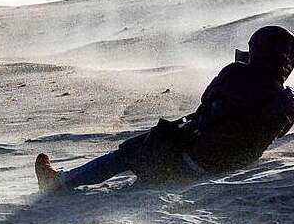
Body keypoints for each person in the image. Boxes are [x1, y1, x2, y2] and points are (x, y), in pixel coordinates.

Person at [35, 25, 294, 193]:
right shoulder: (286, 102)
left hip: (190, 159)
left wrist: (241, 72)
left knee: (129, 152)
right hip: (227, 164)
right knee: (148, 155)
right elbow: (275, 130)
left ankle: (61, 182)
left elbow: (208, 99)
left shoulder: (236, 73)